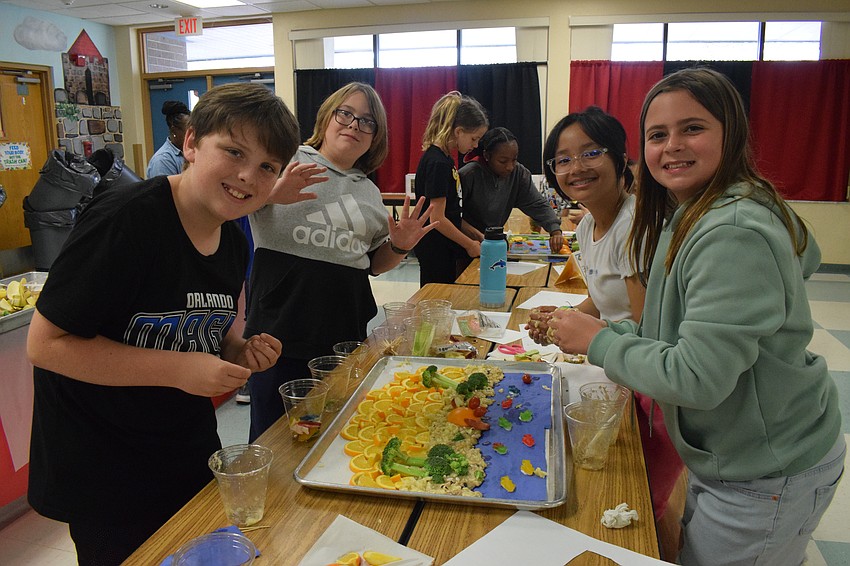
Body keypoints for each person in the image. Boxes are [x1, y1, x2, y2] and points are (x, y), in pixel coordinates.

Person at [537, 68, 845, 565]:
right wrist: (608, 330)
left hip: (764, 465)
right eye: (658, 135)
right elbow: (676, 328)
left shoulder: (732, 229)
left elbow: (698, 377)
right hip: (729, 450)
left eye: (693, 128)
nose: (673, 146)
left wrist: (600, 341)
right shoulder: (702, 210)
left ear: (732, 132)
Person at [25, 82, 311, 565]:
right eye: (234, 151)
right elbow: (46, 345)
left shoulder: (234, 239)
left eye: (268, 167)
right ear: (192, 142)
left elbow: (204, 327)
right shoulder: (126, 220)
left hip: (183, 448)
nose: (248, 175)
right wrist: (178, 370)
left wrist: (237, 348)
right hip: (105, 465)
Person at [245, 82, 437, 442]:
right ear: (326, 116)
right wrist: (271, 194)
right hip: (276, 335)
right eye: (345, 113)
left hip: (342, 338)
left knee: (335, 434)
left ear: (374, 137)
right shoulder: (287, 160)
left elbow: (374, 265)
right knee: (273, 438)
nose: (354, 125)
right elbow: (233, 203)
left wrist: (398, 246)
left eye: (367, 122)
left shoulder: (368, 192)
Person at [528, 106, 684, 536]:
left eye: (590, 152)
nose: (575, 167)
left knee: (637, 503)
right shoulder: (587, 226)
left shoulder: (636, 225)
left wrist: (584, 335)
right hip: (617, 372)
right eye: (562, 159)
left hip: (650, 386)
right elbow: (601, 301)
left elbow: (647, 329)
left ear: (619, 159)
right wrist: (564, 319)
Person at [414, 91, 488, 285]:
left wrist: (473, 233)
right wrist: (469, 244)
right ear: (458, 132)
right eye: (474, 138)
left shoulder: (446, 159)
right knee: (435, 298)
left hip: (443, 244)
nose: (476, 144)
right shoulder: (438, 162)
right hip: (435, 247)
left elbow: (450, 212)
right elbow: (437, 218)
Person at [459, 127, 563, 253]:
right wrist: (477, 237)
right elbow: (452, 216)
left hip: (494, 243)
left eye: (514, 159)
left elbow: (537, 203)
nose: (510, 167)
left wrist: (555, 229)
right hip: (466, 246)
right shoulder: (468, 175)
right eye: (502, 161)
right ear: (487, 156)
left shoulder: (518, 173)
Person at [146, 100, 190, 178]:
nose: (192, 135)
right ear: (174, 130)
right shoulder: (162, 161)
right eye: (188, 130)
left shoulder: (190, 151)